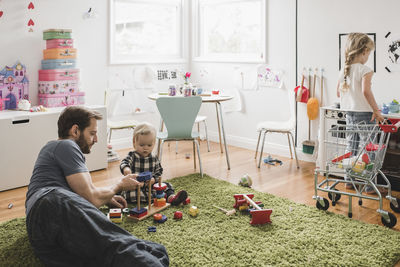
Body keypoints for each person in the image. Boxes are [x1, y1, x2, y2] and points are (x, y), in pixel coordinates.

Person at [25, 106, 169, 266]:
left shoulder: (52, 148)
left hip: (38, 231)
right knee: (115, 242)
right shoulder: (67, 145)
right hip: (50, 203)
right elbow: (91, 197)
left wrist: (107, 198)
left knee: (98, 256)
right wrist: (119, 186)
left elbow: (80, 193)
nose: (96, 139)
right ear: (75, 131)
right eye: (92, 133)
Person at [337, 32, 384, 193]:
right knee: (369, 148)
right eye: (369, 53)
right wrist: (376, 111)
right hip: (365, 114)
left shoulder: (344, 70)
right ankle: (369, 184)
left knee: (352, 146)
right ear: (363, 51)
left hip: (349, 113)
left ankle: (348, 180)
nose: (369, 56)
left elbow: (339, 93)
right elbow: (366, 91)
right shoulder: (365, 70)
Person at [120, 122, 188, 205]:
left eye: (149, 145)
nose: (145, 148)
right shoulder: (132, 155)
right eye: (142, 145)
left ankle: (172, 198)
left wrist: (153, 179)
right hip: (136, 185)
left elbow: (159, 171)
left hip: (150, 185)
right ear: (134, 142)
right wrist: (126, 169)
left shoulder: (154, 158)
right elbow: (125, 162)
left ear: (154, 143)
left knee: (166, 186)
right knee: (127, 191)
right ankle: (133, 200)